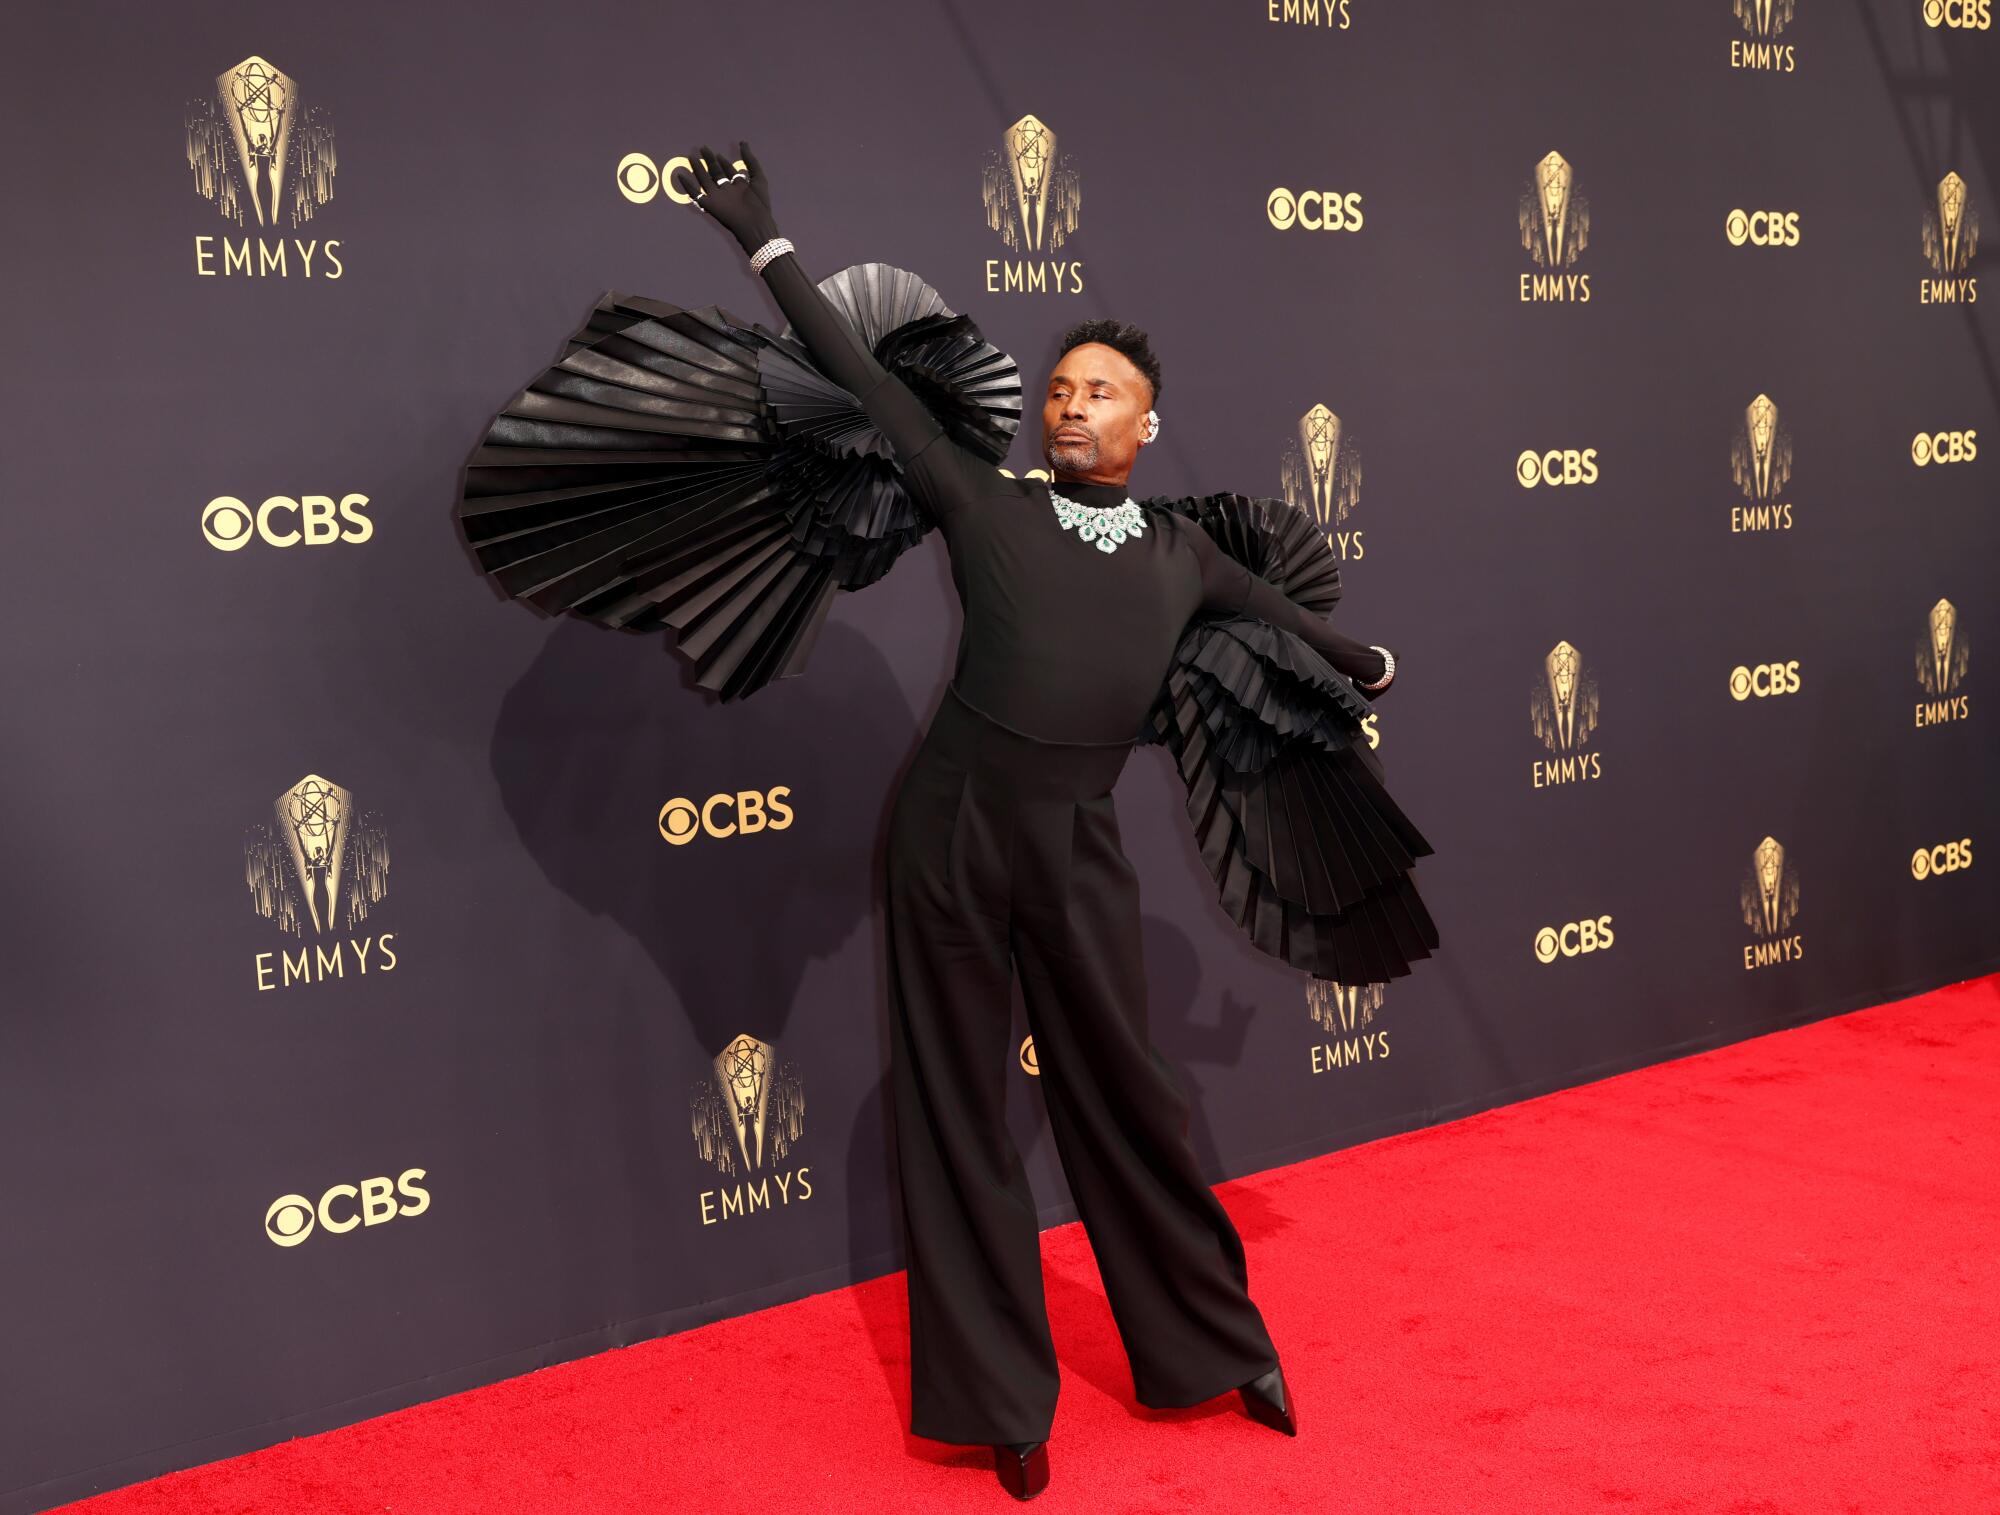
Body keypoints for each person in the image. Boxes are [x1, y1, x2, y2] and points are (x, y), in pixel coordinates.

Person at [669, 140, 1414, 1502]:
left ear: (1146, 426)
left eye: (1102, 397)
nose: (1072, 411)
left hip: (1074, 844)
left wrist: (1363, 664)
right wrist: (764, 240)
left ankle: (1208, 1345)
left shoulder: (1186, 553)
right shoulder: (980, 500)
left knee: (1128, 1091)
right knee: (956, 1106)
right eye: (1061, 392)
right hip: (948, 830)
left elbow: (1276, 615)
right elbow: (868, 380)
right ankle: (1002, 1402)